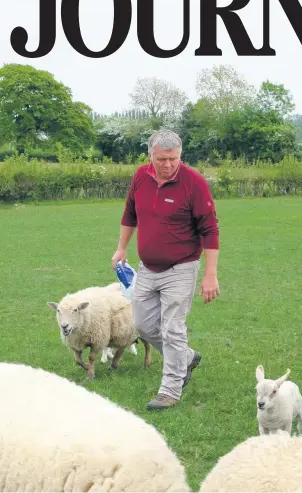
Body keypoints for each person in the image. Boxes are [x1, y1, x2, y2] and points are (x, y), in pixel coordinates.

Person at [111, 129, 220, 411]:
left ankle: (170, 389)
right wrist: (122, 248)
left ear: (180, 155)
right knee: (144, 325)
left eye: (173, 159)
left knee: (173, 328)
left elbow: (210, 229)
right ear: (151, 157)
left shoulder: (193, 182)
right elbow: (130, 214)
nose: (168, 165)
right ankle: (186, 357)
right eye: (162, 159)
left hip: (181, 267)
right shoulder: (140, 177)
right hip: (147, 268)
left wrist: (210, 275)